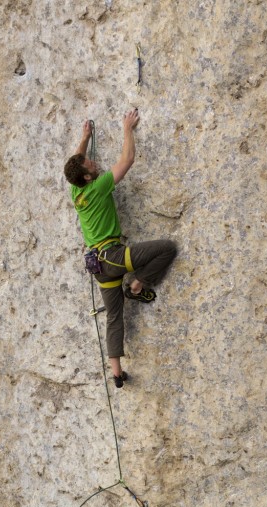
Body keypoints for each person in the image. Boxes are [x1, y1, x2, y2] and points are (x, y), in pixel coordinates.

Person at [64, 111, 177, 389]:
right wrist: (127, 129)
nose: (93, 162)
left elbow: (75, 166)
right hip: (113, 256)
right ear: (89, 177)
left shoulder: (77, 192)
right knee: (167, 248)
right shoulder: (97, 187)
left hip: (98, 268)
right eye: (91, 163)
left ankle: (116, 373)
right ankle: (138, 284)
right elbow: (126, 160)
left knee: (114, 316)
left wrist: (85, 138)